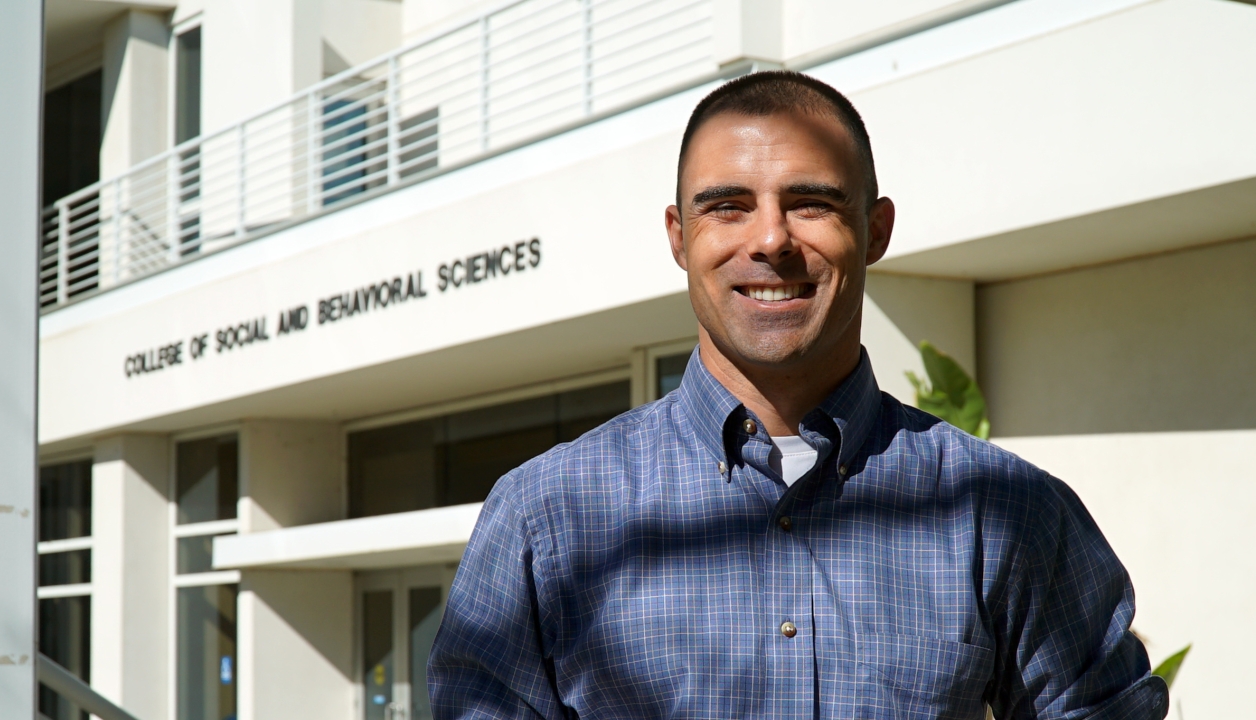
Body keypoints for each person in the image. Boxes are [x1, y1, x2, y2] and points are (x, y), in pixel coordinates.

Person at [427, 71, 1168, 719]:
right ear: (679, 237)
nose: (771, 239)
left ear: (874, 231)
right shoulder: (544, 520)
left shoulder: (1005, 514)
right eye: (728, 206)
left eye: (810, 202)